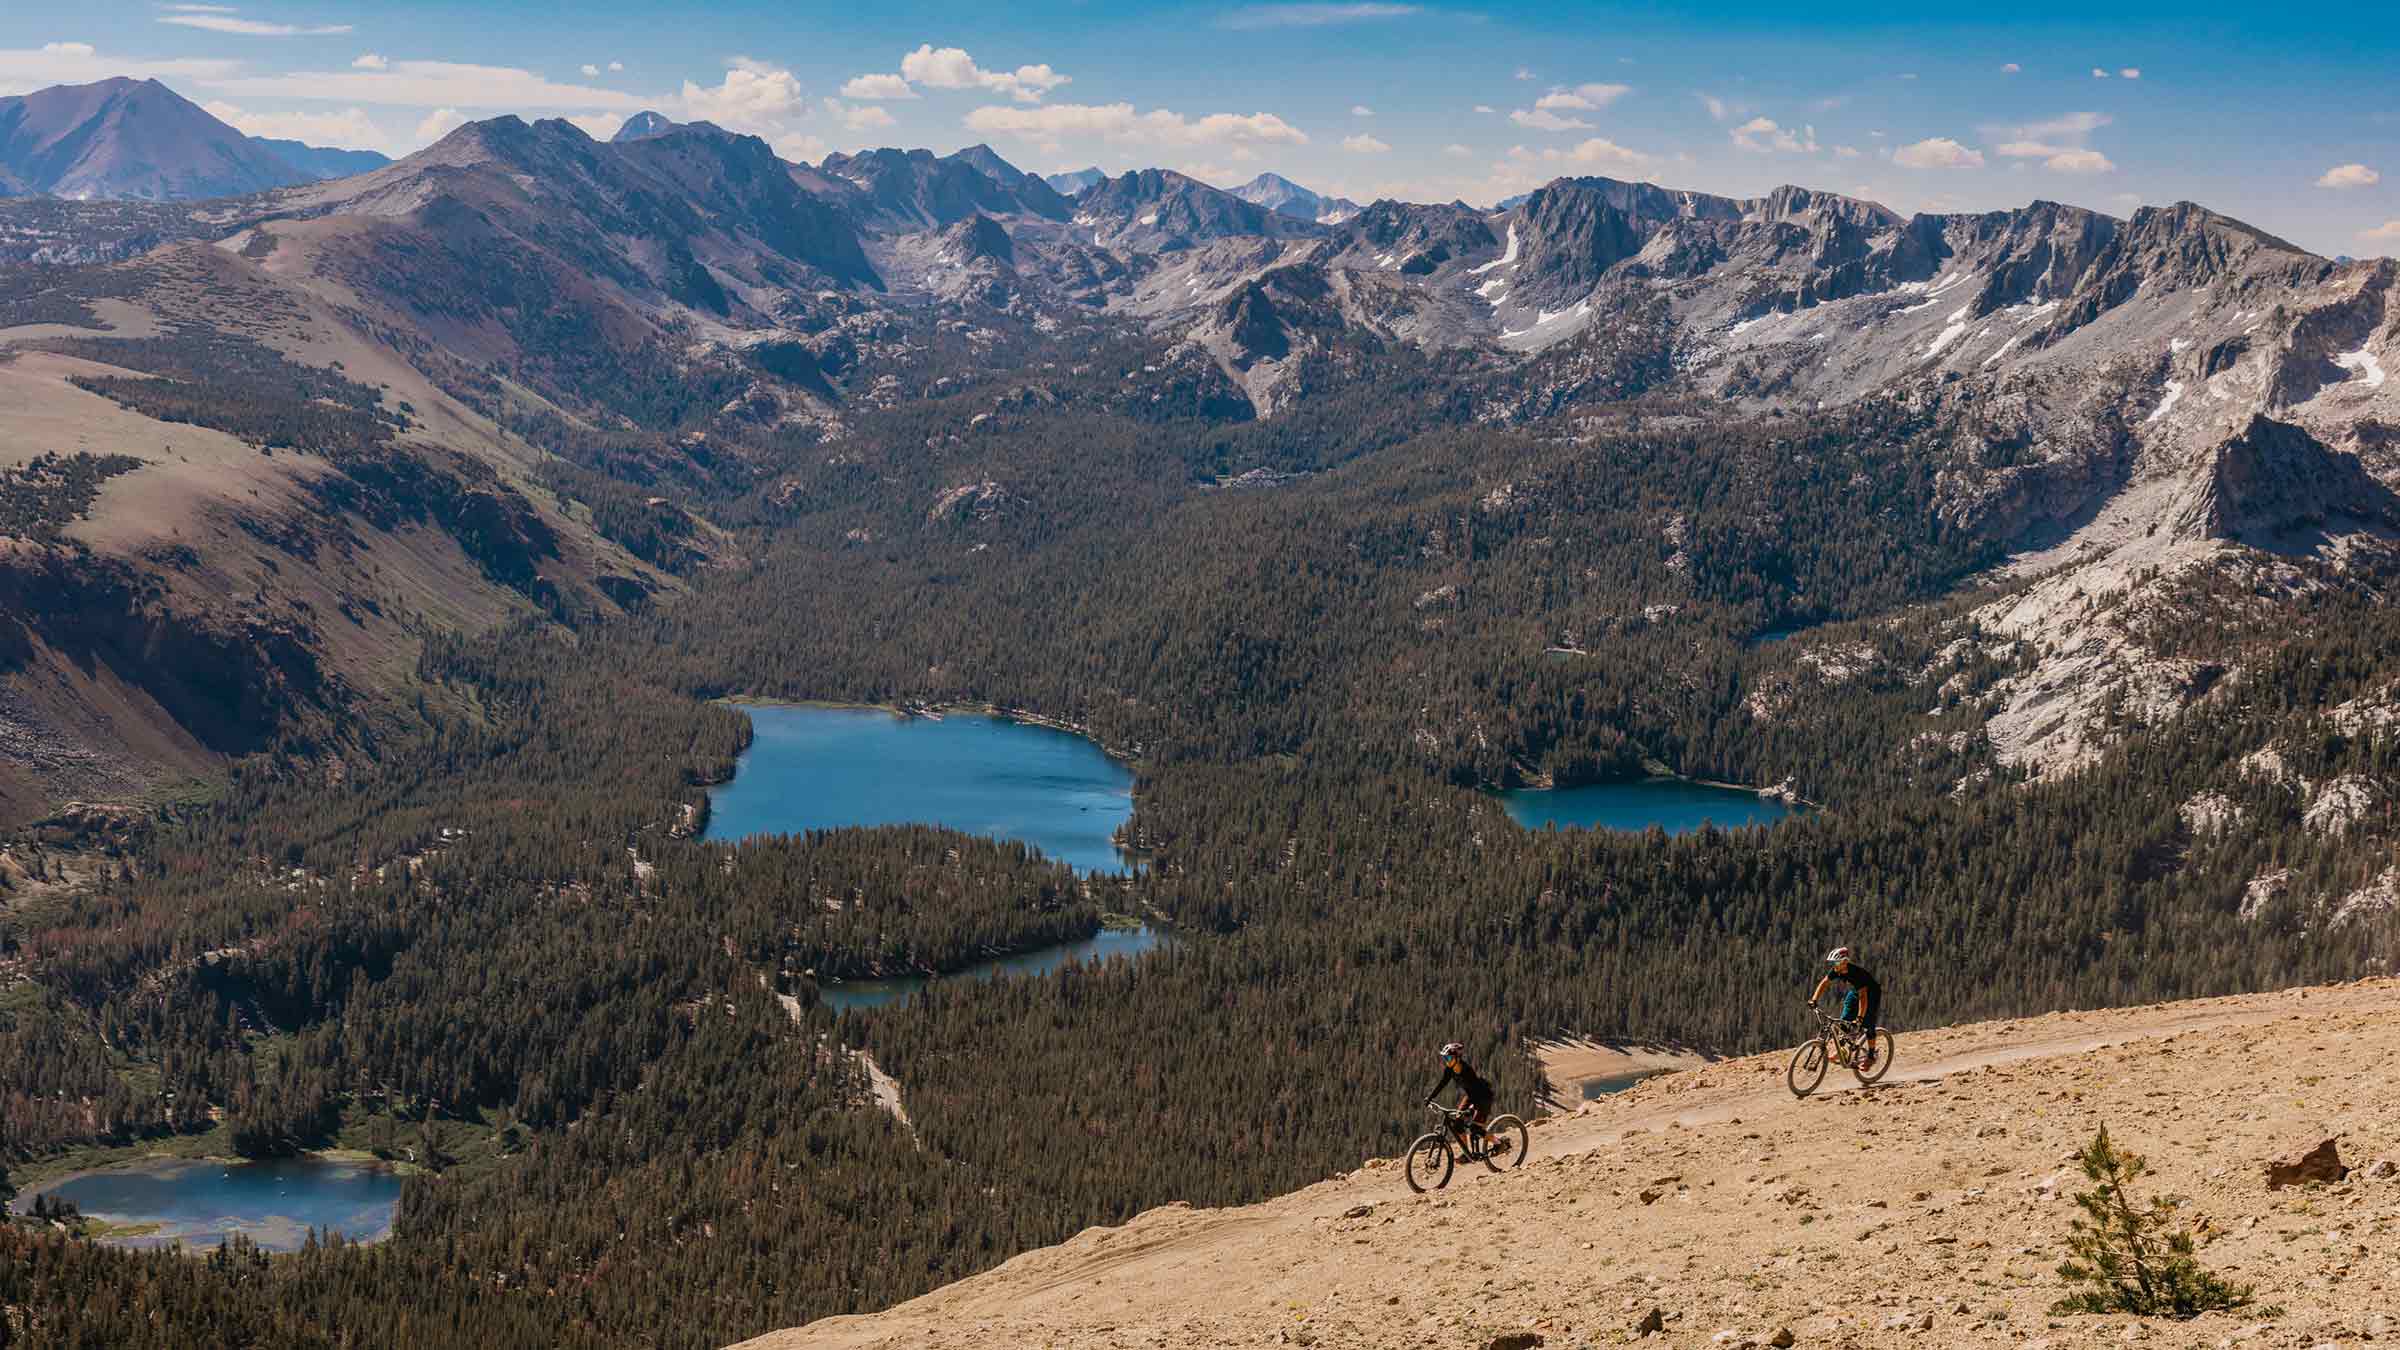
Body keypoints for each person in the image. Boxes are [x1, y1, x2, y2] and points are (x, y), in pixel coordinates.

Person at [1808, 946, 1882, 1066]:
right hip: (1856, 992)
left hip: (1872, 993)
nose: (1834, 965)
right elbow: (1824, 983)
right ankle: (1843, 1049)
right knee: (1844, 1022)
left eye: (1836, 962)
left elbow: (1863, 998)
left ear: (1845, 962)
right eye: (1833, 963)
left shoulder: (1856, 974)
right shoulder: (1837, 970)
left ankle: (1871, 1055)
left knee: (1868, 1023)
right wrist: (1814, 999)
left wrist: (1859, 1018)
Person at [1423, 1042, 1496, 1154]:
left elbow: (1476, 1091)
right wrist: (1430, 1098)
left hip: (1483, 1097)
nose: (1446, 1061)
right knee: (1457, 1123)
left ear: (1456, 1057)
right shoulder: (1449, 1070)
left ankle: (1498, 1143)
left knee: (1475, 1129)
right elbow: (1441, 1084)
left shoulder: (1467, 1070)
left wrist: (1471, 1109)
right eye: (1445, 1058)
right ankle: (1466, 1153)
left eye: (1448, 1058)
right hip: (1471, 1096)